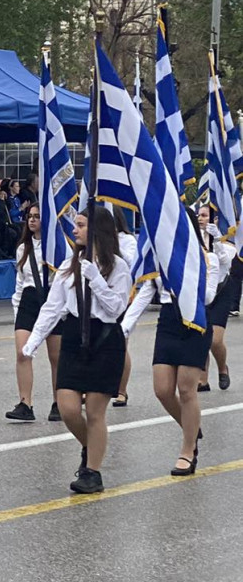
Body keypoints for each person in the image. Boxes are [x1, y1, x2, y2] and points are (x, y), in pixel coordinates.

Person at [21, 205, 131, 494]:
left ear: (97, 230)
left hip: (104, 339)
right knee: (68, 409)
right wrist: (33, 341)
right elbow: (53, 307)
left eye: (81, 225)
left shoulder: (118, 267)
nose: (75, 229)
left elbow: (116, 308)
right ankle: (90, 446)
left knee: (94, 412)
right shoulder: (69, 266)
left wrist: (95, 278)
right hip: (73, 335)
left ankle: (92, 472)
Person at [121, 204, 234, 476]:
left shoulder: (207, 258)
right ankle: (191, 426)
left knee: (186, 390)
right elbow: (146, 293)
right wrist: (123, 329)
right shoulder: (162, 259)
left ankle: (188, 449)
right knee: (162, 390)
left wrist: (186, 274)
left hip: (194, 322)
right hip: (169, 321)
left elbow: (208, 297)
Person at [8, 205, 61, 422]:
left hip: (52, 298)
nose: (32, 220)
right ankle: (25, 403)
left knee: (56, 357)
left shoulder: (57, 247)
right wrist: (17, 312)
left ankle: (59, 403)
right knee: (23, 353)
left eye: (37, 216)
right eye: (29, 216)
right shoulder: (23, 248)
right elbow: (20, 283)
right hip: (29, 300)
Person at [208, 212, 242, 392]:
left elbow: (225, 262)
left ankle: (222, 368)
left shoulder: (229, 246)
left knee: (214, 340)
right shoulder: (192, 242)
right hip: (201, 293)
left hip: (220, 292)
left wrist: (216, 239)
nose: (202, 219)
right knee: (199, 337)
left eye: (206, 216)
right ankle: (202, 378)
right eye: (199, 215)